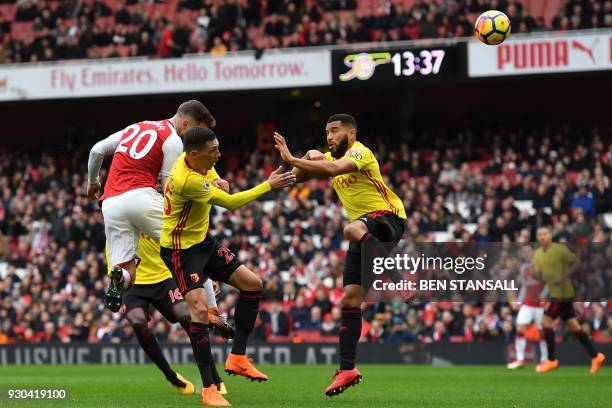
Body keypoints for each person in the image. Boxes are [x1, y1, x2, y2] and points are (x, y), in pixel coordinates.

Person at [160, 127, 295, 406]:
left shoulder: (196, 162)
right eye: (214, 151)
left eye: (218, 147)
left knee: (253, 284)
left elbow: (217, 181)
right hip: (180, 252)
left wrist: (219, 179)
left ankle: (238, 357)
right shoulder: (186, 180)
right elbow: (232, 204)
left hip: (202, 243)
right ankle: (209, 389)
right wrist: (269, 185)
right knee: (198, 310)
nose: (219, 154)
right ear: (195, 154)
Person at [273, 114, 407, 396]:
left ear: (351, 134)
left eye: (335, 131)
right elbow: (301, 175)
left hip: (388, 217)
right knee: (349, 298)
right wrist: (280, 177)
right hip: (366, 232)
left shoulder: (360, 152)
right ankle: (347, 369)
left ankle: (393, 270)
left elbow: (334, 169)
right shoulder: (323, 158)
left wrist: (293, 157)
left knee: (350, 229)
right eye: (327, 132)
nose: (330, 137)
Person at [86, 100, 227, 333]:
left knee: (127, 270)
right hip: (141, 196)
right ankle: (213, 312)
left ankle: (118, 277)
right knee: (189, 245)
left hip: (110, 203)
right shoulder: (172, 140)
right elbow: (170, 187)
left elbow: (96, 151)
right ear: (184, 123)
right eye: (195, 130)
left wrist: (93, 182)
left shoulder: (135, 127)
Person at [105, 234, 228, 395]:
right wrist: (115, 287)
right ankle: (171, 376)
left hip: (164, 278)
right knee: (137, 323)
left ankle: (214, 377)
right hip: (134, 283)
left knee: (186, 316)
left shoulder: (158, 213)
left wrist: (203, 275)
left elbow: (185, 243)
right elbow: (113, 255)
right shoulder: (120, 219)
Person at [533, 225, 605, 374]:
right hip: (555, 293)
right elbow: (539, 275)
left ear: (550, 235)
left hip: (563, 294)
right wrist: (537, 276)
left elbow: (577, 263)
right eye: (539, 234)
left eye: (544, 234)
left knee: (545, 322)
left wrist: (564, 277)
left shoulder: (559, 250)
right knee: (573, 325)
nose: (542, 237)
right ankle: (596, 356)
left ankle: (551, 360)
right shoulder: (537, 254)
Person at [507, 245, 548, 369]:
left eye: (528, 251)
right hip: (528, 304)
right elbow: (525, 287)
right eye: (524, 252)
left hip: (540, 305)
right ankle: (520, 359)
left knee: (542, 332)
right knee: (520, 328)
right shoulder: (523, 268)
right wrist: (519, 301)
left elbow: (548, 283)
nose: (526, 254)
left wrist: (544, 295)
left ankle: (545, 360)